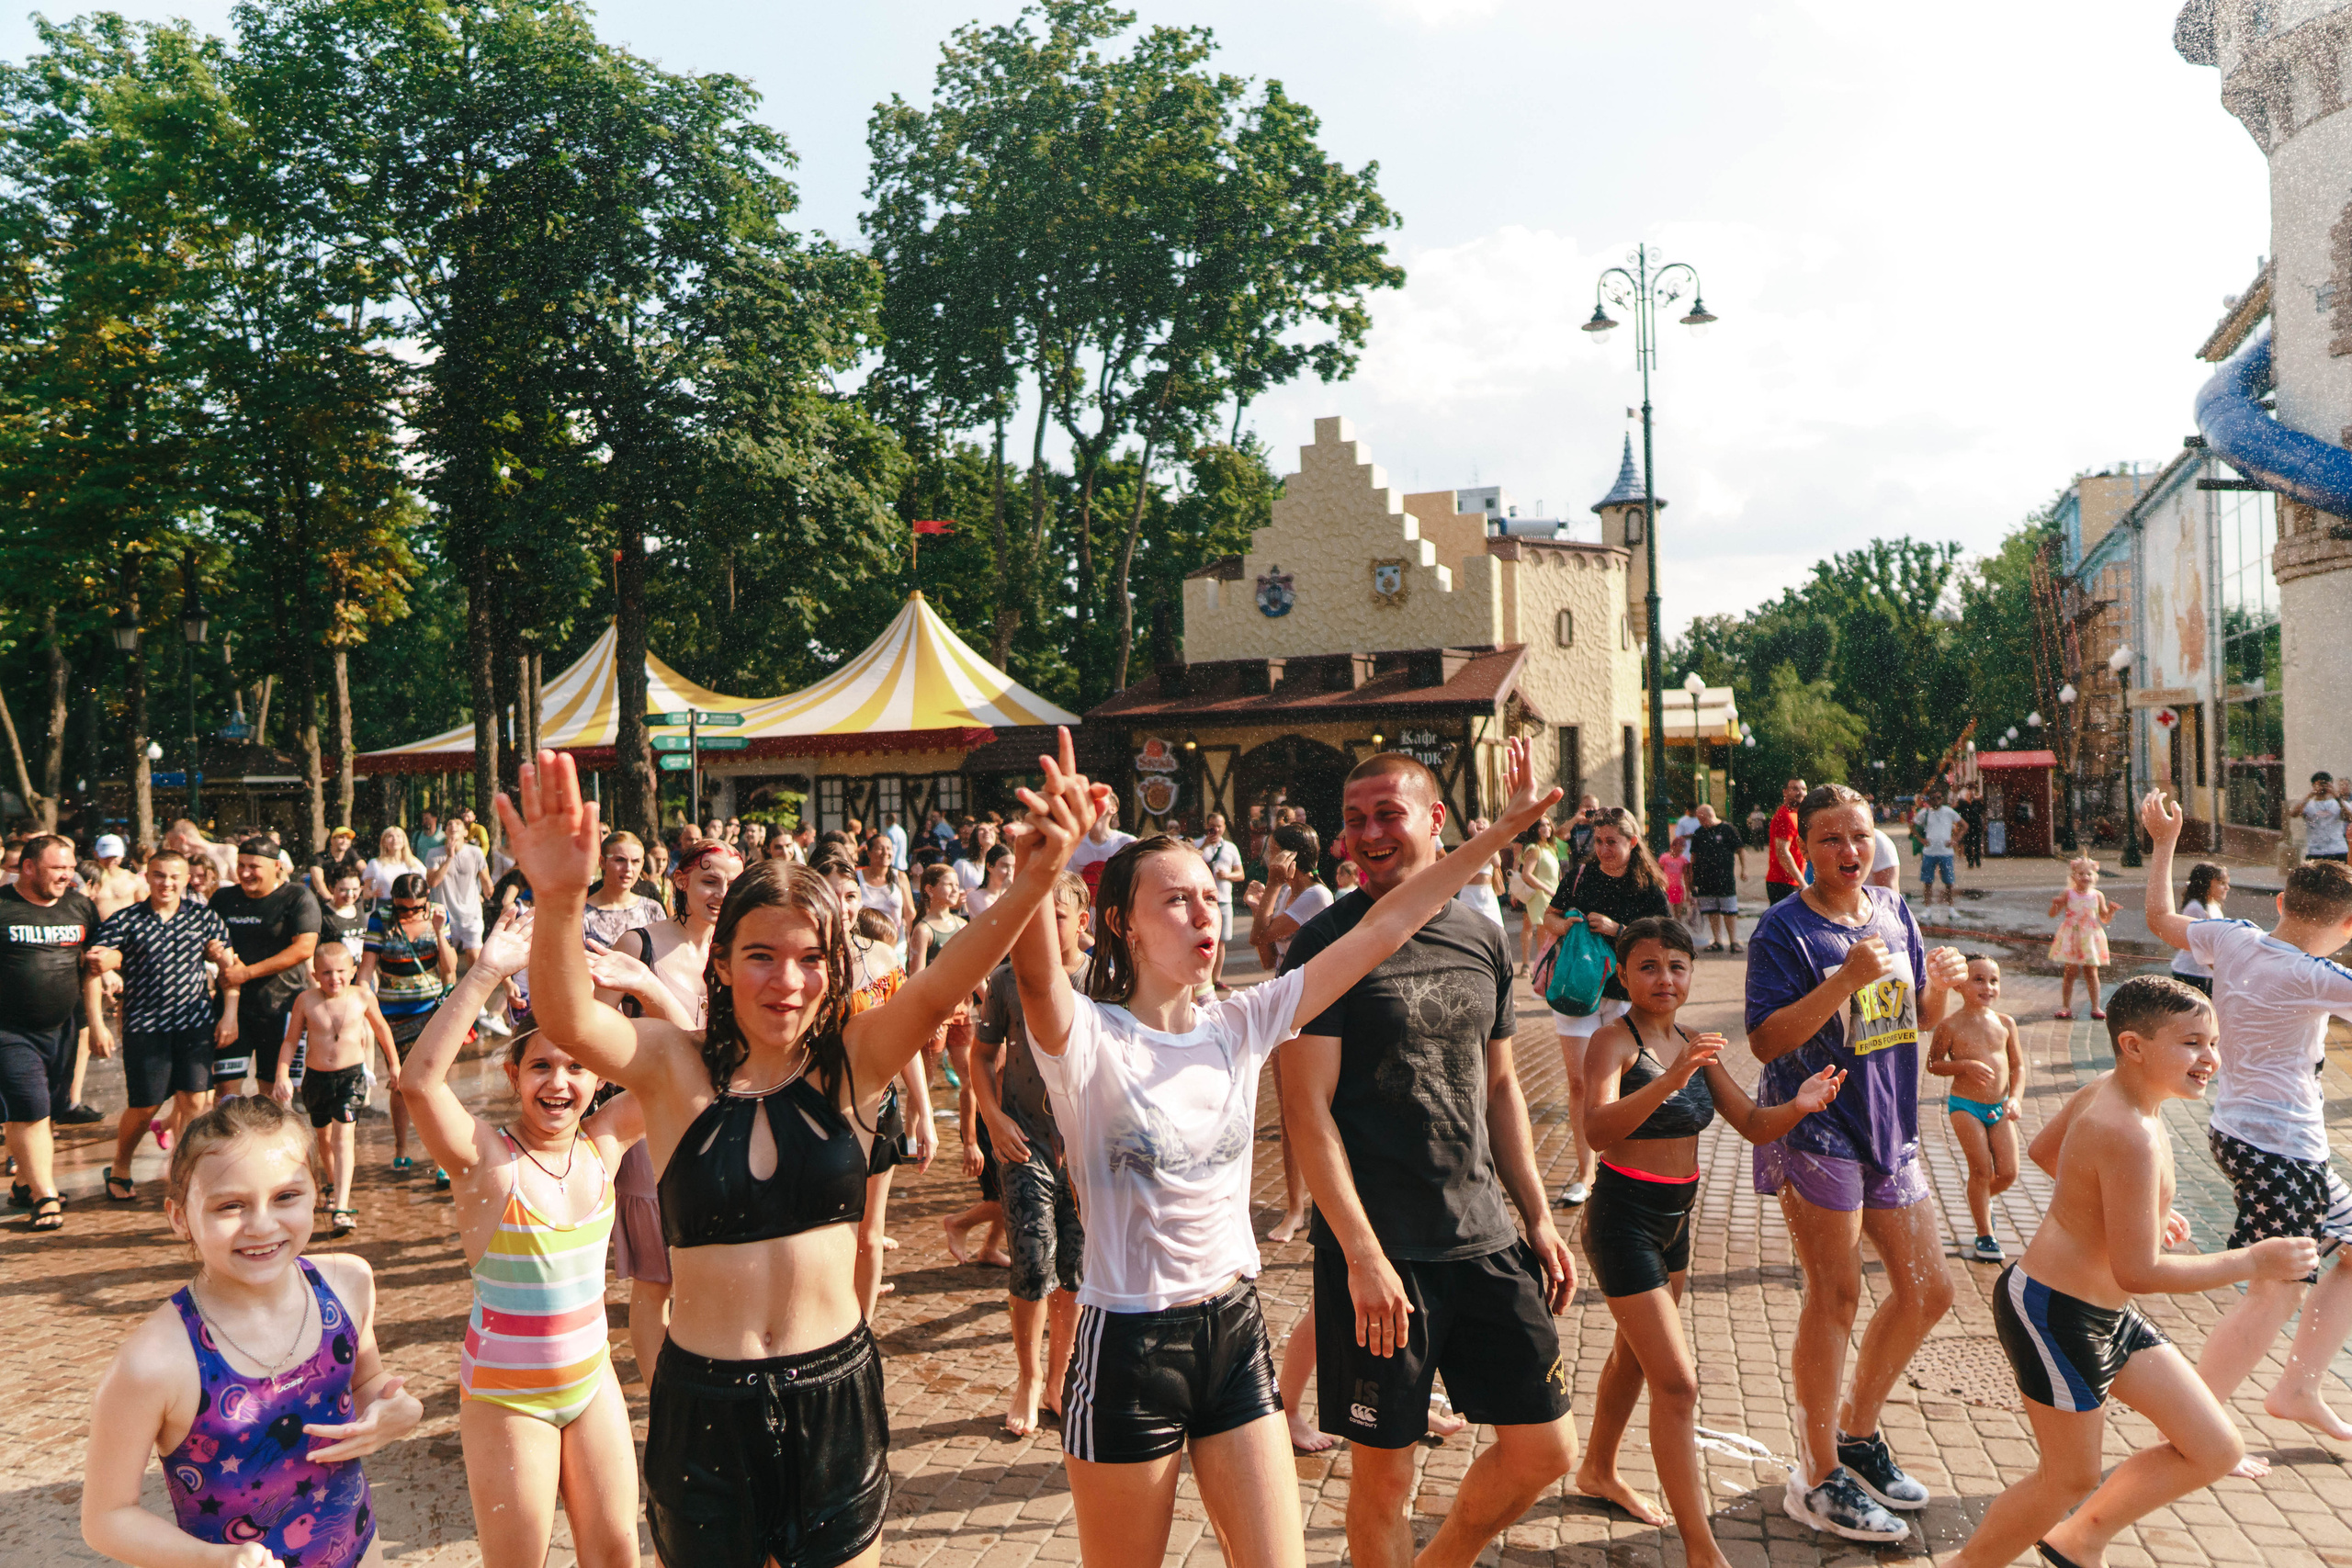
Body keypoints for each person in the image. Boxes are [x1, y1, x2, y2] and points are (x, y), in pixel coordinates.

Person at [505, 737, 1083, 1568]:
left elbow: (943, 980)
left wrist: (1032, 881)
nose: (788, 980)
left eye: (812, 958)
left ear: (836, 964)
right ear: (724, 966)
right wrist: (559, 896)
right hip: (704, 1403)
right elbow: (565, 1016)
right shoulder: (674, 1067)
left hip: (834, 1397)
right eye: (762, 956)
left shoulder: (857, 1059)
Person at [1022, 737, 1560, 1568]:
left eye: (1212, 896)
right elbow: (1035, 981)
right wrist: (1037, 873)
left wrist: (1504, 834)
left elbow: (1387, 925)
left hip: (1235, 1334)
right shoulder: (1089, 1039)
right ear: (1121, 922)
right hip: (1128, 1346)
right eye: (1175, 901)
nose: (1205, 914)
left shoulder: (1244, 1022)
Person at [1281, 749, 1580, 1568]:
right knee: (1384, 1480)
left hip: (1483, 1234)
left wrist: (1540, 1215)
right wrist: (1361, 1254)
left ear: (1436, 821)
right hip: (1382, 1254)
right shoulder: (1324, 942)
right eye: (1354, 818)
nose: (1368, 833)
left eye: (1388, 813)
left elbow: (1501, 1089)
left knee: (1546, 1447)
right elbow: (1305, 1112)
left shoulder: (1482, 935)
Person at [1950, 978, 2314, 1568]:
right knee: (2068, 1479)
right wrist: (2254, 1259)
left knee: (2215, 1448)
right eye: (2192, 1042)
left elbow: (2046, 1151)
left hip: (2106, 1314)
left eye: (2214, 1042)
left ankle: (2080, 1540)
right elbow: (2140, 1271)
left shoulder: (2112, 1091)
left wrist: (2130, 1210)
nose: (2210, 1059)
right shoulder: (2130, 1133)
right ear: (2134, 1045)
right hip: (2052, 1312)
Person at [1574, 917, 1847, 1563]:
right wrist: (1670, 1079)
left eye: (1677, 965)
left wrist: (1801, 1104)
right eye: (1647, 965)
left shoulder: (1699, 1042)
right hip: (1623, 1220)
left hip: (1676, 1217)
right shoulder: (1613, 1042)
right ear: (1622, 973)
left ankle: (1597, 1469)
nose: (1664, 978)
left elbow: (1752, 1123)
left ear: (1692, 973)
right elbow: (1596, 1130)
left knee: (1634, 1359)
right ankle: (1700, 1548)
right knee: (1678, 1385)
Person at [1745, 783, 1969, 1542]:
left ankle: (1856, 1432)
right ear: (1803, 845)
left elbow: (1910, 1021)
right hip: (1816, 1128)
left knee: (1928, 1288)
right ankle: (1814, 1473)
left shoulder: (1891, 910)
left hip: (1888, 1125)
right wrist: (1842, 980)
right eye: (1833, 837)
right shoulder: (1784, 930)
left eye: (1862, 835)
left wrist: (1941, 992)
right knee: (1836, 1295)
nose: (1850, 851)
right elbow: (1767, 1041)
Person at [398, 905, 645, 1568]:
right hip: (509, 1395)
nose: (558, 1082)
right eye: (540, 1066)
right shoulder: (487, 1160)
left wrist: (642, 983)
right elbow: (418, 1082)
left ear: (599, 1078)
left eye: (574, 1067)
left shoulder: (607, 1142)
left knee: (619, 1552)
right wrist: (482, 972)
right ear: (513, 1074)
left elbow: (692, 1065)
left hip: (592, 1380)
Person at [80, 1096, 422, 1568]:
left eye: (286, 1196)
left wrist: (396, 1406)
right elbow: (106, 1517)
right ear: (179, 1217)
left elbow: (363, 1383)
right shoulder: (154, 1362)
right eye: (230, 1205)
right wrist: (214, 1560)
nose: (262, 1225)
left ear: (318, 1192)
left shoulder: (348, 1286)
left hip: (361, 1550)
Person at [2141, 792, 2352, 1448]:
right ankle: (2194, 1431)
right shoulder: (2317, 974)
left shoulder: (2231, 936)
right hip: (2278, 1149)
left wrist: (2164, 841)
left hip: (2250, 1136)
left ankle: (2298, 1387)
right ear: (2348, 927)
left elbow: (2159, 918)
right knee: (2276, 1289)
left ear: (2283, 902)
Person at [969, 870, 1090, 1437]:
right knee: (1031, 1266)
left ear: (1081, 923)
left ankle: (1060, 1379)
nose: (1038, 929)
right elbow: (980, 1056)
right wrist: (990, 1120)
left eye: (1054, 918)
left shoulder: (1104, 980)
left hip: (1086, 1150)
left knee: (1074, 1271)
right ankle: (1027, 1375)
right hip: (1024, 1143)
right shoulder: (1006, 981)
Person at [89, 852, 235, 1211]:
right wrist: (98, 1014)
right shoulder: (127, 920)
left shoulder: (204, 917)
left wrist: (228, 1013)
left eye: (174, 877)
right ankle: (121, 1165)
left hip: (195, 1022)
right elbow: (94, 964)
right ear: (147, 878)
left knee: (195, 1102)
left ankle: (187, 1175)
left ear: (188, 880)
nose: (166, 883)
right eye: (158, 875)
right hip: (146, 1024)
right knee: (145, 1105)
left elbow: (232, 969)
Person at [1541, 806, 1671, 1209]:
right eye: (1598, 842)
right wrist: (1566, 926)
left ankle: (1622, 1167)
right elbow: (1550, 916)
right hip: (1577, 992)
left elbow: (1667, 938)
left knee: (1623, 1084)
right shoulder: (1580, 876)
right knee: (1580, 1083)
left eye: (1611, 841)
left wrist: (1618, 929)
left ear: (1633, 842)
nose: (1603, 850)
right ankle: (1586, 1173)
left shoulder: (1648, 885)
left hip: (1623, 994)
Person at [0, 834, 104, 1230]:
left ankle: (24, 1183)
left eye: (70, 866)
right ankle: (45, 1196)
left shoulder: (79, 906)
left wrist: (96, 1020)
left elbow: (95, 961)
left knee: (50, 1110)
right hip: (9, 1030)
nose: (67, 875)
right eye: (57, 867)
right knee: (29, 1107)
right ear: (28, 867)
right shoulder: (3, 906)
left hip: (62, 1028)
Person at [1243, 823, 1333, 1246]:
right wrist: (1266, 902)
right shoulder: (1296, 897)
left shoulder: (1315, 895)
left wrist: (1268, 897)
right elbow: (1263, 954)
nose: (1266, 859)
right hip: (1286, 1001)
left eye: (1273, 852)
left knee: (1307, 1108)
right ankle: (1296, 1207)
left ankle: (1310, 1206)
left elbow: (1260, 934)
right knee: (1288, 1112)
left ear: (1291, 858)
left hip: (1310, 1005)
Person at [279, 942, 397, 1235]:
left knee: (343, 1137)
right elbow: (291, 1040)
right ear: (315, 974)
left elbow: (382, 1029)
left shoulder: (363, 996)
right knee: (324, 1137)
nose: (335, 979)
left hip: (350, 1078)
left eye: (342, 972)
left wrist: (394, 1065)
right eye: (327, 973)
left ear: (354, 971)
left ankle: (342, 1208)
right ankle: (334, 1187)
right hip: (316, 1079)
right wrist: (282, 1073)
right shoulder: (306, 1001)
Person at [204, 837, 323, 1097]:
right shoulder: (224, 898)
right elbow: (208, 942)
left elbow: (304, 948)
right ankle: (231, 1138)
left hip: (281, 1007)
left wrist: (247, 973)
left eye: (254, 866)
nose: (245, 873)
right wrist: (210, 951)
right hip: (233, 1009)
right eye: (241, 865)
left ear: (277, 866)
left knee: (274, 1093)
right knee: (226, 1092)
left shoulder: (296, 897)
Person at [1928, 954, 2025, 1261]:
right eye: (1978, 979)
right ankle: (1986, 1235)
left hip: (1999, 1108)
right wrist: (1965, 1066)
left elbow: (2018, 1067)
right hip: (1966, 1107)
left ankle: (1979, 1200)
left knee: (2008, 1173)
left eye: (1994, 980)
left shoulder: (2006, 1023)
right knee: (1981, 1169)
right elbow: (1934, 1064)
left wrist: (2016, 1098)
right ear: (1959, 986)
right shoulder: (1949, 1025)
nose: (1988, 986)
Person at [358, 874, 454, 1171]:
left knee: (435, 1082)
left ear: (427, 900)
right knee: (399, 1083)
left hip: (431, 1009)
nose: (408, 914)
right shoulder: (381, 919)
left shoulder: (439, 915)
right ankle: (401, 1149)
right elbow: (366, 971)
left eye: (415, 908)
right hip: (393, 1014)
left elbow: (449, 969)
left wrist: (439, 932)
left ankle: (441, 1158)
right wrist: (360, 1004)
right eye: (402, 908)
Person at [2047, 856, 2115, 1021]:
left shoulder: (2097, 895)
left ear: (2095, 877)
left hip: (2089, 937)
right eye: (2081, 873)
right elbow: (2052, 914)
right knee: (2070, 972)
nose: (2085, 877)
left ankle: (2096, 1006)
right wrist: (2056, 904)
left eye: (2089, 874)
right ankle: (2066, 1006)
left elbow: (2104, 918)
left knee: (2091, 972)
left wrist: (2111, 911)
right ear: (2073, 877)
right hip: (2072, 935)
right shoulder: (2068, 893)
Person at [582, 830, 663, 949]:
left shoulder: (652, 910)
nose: (628, 868)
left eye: (635, 861)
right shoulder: (582, 915)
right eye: (620, 860)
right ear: (602, 862)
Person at [1687, 803, 1747, 953]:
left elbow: (1740, 850)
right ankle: (1717, 940)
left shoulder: (1727, 829)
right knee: (1712, 910)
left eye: (1702, 819)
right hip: (1705, 878)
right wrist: (1692, 877)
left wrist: (1744, 869)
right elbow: (1693, 856)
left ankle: (1733, 941)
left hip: (1725, 877)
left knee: (1730, 911)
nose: (1701, 823)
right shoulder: (1699, 833)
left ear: (1709, 815)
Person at [1194, 812, 1245, 989]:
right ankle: (1201, 979)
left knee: (1222, 941)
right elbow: (1189, 864)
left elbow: (1241, 874)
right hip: (1202, 900)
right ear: (1207, 825)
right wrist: (1205, 844)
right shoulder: (1197, 844)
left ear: (1224, 827)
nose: (1215, 829)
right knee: (1201, 939)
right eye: (1212, 825)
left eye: (1219, 826)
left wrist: (1228, 875)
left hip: (1224, 900)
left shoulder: (1231, 847)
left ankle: (1216, 979)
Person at [2168, 862, 2230, 996]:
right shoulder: (2195, 908)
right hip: (2191, 973)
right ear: (2205, 883)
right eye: (2221, 883)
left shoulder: (2214, 906)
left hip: (2207, 973)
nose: (2227, 887)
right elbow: (2201, 946)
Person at [1510, 817, 1561, 975]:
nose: (1546, 828)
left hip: (1552, 895)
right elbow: (1526, 874)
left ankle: (1543, 968)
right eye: (1541, 825)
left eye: (1548, 825)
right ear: (1535, 829)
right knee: (1543, 932)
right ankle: (1541, 969)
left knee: (1549, 934)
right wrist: (1547, 890)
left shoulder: (1551, 847)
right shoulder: (1534, 848)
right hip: (1540, 896)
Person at [1068, 799, 1136, 904]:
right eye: (1090, 798)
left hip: (1116, 911)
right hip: (1084, 913)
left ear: (1113, 807)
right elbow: (1068, 884)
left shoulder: (1127, 843)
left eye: (1101, 798)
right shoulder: (1074, 843)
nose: (1094, 801)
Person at [855, 830, 912, 947]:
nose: (885, 852)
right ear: (869, 853)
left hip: (895, 944)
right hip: (864, 942)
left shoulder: (900, 877)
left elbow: (910, 913)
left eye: (889, 848)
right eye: (880, 848)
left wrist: (909, 940)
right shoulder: (857, 877)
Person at [1916, 791, 1966, 907]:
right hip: (1929, 852)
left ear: (1942, 798)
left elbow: (1964, 825)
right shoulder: (1925, 812)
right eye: (1933, 798)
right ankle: (1927, 907)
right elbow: (1913, 825)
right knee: (1927, 882)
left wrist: (1955, 840)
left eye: (1938, 798)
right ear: (1929, 800)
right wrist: (1921, 839)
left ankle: (1951, 907)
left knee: (1949, 882)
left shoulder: (1948, 811)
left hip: (1946, 852)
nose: (1936, 800)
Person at [1765, 776, 1807, 906]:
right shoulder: (1785, 816)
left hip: (1790, 882)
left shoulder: (1795, 815)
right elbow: (1782, 852)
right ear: (1785, 792)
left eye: (1804, 789)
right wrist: (1802, 882)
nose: (1800, 792)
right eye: (1795, 788)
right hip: (1784, 883)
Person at [362, 827, 426, 907]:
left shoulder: (414, 863)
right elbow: (366, 891)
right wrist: (372, 893)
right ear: (384, 842)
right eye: (390, 836)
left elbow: (427, 883)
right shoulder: (375, 863)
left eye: (399, 836)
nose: (395, 839)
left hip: (408, 906)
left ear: (404, 841)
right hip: (383, 905)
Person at [2299, 771, 2350, 863]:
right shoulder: (2308, 805)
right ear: (2313, 786)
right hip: (2314, 851)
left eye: (2326, 784)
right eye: (2320, 784)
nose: (2323, 788)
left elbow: (2349, 818)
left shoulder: (2339, 803)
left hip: (2338, 850)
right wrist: (2309, 796)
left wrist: (2336, 796)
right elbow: (2293, 814)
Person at [89, 832, 143, 919]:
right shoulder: (90, 881)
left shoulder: (134, 880)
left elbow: (143, 909)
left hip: (128, 929)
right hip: (100, 929)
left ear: (122, 855)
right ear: (96, 854)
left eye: (114, 856)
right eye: (106, 856)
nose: (111, 860)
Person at [310, 826, 366, 904]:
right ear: (332, 840)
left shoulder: (351, 854)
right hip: (323, 901)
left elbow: (364, 870)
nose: (345, 841)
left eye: (348, 839)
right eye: (341, 837)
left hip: (346, 898)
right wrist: (330, 898)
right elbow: (318, 881)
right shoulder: (319, 858)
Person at [1657, 838, 1691, 924]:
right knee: (1668, 910)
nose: (1680, 850)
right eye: (1678, 847)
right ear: (1673, 846)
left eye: (1682, 848)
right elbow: (1659, 872)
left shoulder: (1683, 860)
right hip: (1667, 887)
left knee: (1678, 913)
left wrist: (1688, 891)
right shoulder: (1664, 858)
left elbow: (1686, 876)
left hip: (1678, 887)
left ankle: (1677, 927)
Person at [1566, 794, 1601, 864]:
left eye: (1594, 808)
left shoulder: (1600, 827)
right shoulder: (1574, 827)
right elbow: (1559, 835)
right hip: (1578, 866)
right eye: (1588, 807)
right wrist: (1576, 818)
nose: (1591, 810)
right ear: (1580, 808)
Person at [1958, 786, 1986, 870]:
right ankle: (1970, 861)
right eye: (1968, 795)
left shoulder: (1977, 803)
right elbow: (1956, 811)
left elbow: (1983, 813)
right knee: (1967, 845)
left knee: (1977, 844)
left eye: (1971, 795)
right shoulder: (1963, 805)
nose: (1970, 796)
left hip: (1976, 826)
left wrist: (1984, 824)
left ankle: (1977, 860)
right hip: (1967, 828)